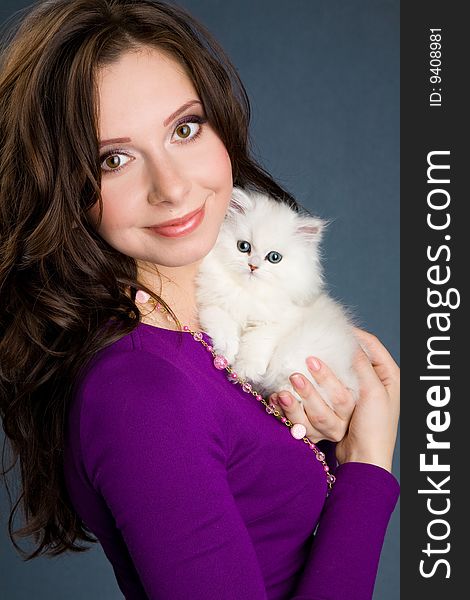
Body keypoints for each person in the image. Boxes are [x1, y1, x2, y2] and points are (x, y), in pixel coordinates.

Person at [0, 1, 400, 598]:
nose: (174, 186)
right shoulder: (140, 390)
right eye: (114, 158)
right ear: (62, 187)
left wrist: (331, 447)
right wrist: (368, 466)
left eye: (184, 128)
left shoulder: (199, 337)